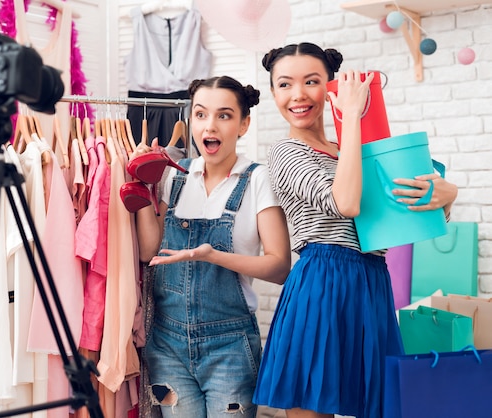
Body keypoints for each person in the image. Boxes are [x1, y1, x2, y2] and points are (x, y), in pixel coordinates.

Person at [252, 42, 458, 418]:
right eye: (284, 84)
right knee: (313, 406)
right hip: (322, 282)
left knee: (379, 406)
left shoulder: (348, 149)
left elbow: (397, 219)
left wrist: (447, 197)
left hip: (373, 281)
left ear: (330, 85)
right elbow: (345, 203)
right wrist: (351, 121)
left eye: (311, 81)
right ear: (272, 92)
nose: (297, 95)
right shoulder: (285, 151)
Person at [129, 75, 291, 418]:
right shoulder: (174, 175)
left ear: (244, 124)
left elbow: (279, 268)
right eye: (201, 114)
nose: (209, 126)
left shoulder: (258, 179)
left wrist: (213, 256)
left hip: (230, 346)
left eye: (224, 115)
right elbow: (148, 252)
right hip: (167, 343)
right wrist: (142, 185)